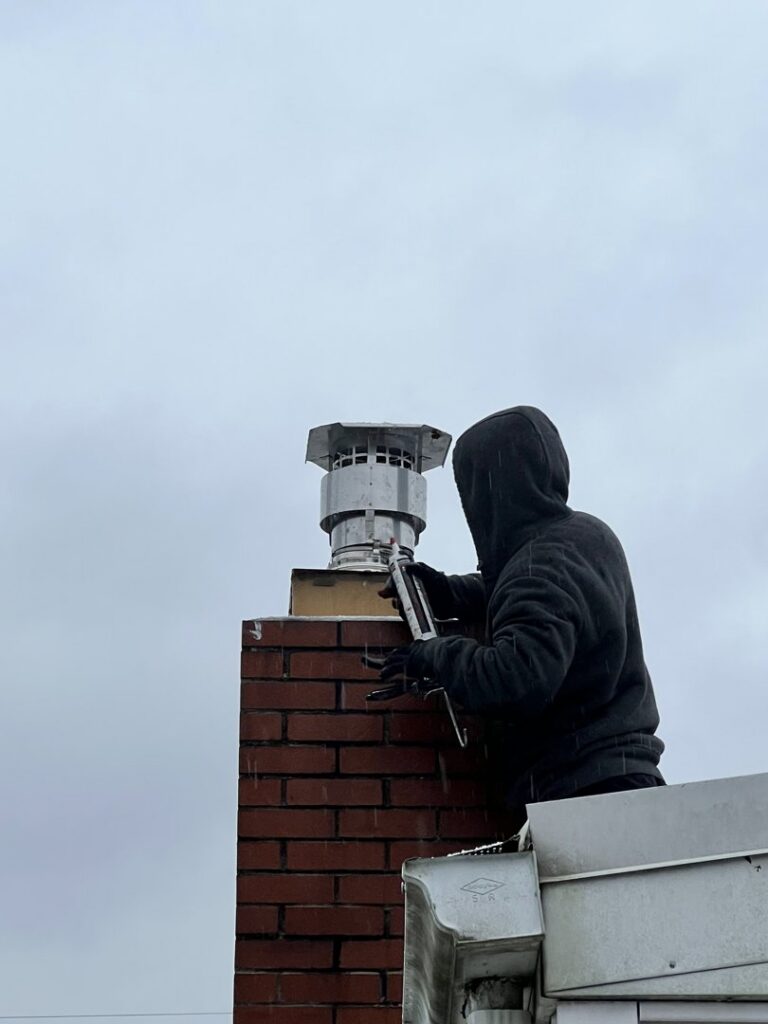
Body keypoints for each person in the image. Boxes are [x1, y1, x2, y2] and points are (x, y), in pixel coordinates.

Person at [377, 405, 665, 831]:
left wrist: (434, 655)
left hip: (581, 800)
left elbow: (516, 677)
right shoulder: (584, 536)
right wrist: (450, 592)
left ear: (487, 492)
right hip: (621, 786)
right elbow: (534, 598)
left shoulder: (539, 568)